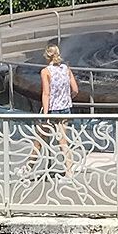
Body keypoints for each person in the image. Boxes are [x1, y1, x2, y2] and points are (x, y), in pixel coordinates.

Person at [26, 44, 79, 177]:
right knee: (63, 141)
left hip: (52, 110)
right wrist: (67, 98)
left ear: (46, 56)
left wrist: (45, 113)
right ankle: (69, 170)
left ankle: (28, 168)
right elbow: (75, 90)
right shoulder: (66, 69)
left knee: (40, 139)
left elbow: (46, 93)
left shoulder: (46, 71)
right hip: (65, 108)